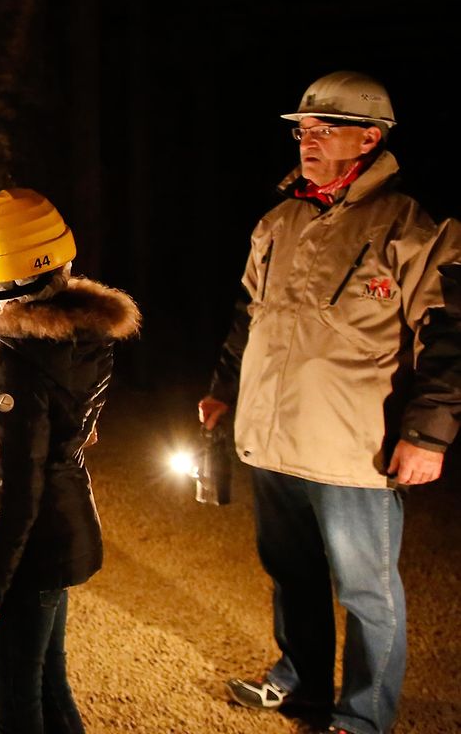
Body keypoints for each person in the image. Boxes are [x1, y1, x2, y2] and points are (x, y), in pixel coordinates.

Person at [198, 71, 461, 734]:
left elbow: (450, 333)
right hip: (273, 435)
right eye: (301, 129)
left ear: (369, 138)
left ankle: (363, 716)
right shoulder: (278, 220)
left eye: (324, 129)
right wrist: (222, 392)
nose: (305, 140)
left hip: (351, 445)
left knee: (367, 592)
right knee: (290, 572)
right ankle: (300, 684)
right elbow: (245, 316)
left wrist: (427, 435)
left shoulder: (411, 225)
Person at [0, 189, 139, 734]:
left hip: (26, 554)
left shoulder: (16, 365)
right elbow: (49, 401)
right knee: (49, 684)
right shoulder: (79, 332)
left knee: (15, 706)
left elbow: (11, 488)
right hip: (58, 533)